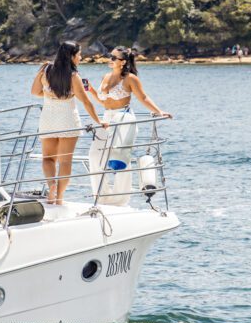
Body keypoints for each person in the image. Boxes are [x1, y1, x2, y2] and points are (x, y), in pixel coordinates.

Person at [87, 47, 173, 204]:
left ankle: (120, 199)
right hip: (106, 119)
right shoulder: (105, 77)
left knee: (121, 160)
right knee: (94, 156)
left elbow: (143, 97)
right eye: (110, 56)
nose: (110, 59)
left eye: (114, 58)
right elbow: (104, 102)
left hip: (124, 119)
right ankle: (102, 197)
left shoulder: (130, 79)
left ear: (123, 62)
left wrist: (159, 111)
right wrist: (91, 90)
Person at [31, 41, 105, 205]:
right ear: (71, 56)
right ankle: (59, 197)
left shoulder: (45, 70)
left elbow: (34, 91)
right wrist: (99, 121)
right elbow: (86, 102)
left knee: (48, 159)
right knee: (65, 161)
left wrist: (48, 92)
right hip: (68, 120)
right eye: (79, 55)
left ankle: (52, 186)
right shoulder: (73, 76)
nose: (80, 58)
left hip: (48, 119)